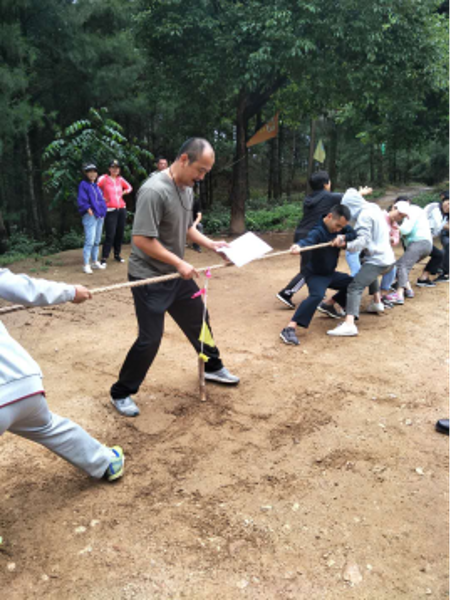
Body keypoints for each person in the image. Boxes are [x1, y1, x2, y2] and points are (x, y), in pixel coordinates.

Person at [110, 138, 240, 418]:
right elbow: (142, 240)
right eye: (201, 170)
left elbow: (184, 229)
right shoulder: (154, 191)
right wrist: (179, 261)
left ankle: (214, 367)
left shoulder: (187, 188)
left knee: (199, 320)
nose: (202, 177)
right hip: (150, 278)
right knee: (150, 339)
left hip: (176, 274)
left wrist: (212, 245)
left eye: (206, 171)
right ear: (184, 159)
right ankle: (121, 392)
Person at [0, 269, 124, 482]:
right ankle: (105, 461)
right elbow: (25, 288)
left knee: (46, 426)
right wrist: (71, 291)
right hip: (23, 382)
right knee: (47, 426)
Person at [280, 205, 356, 347]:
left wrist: (342, 237)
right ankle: (289, 328)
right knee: (316, 295)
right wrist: (298, 246)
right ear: (329, 217)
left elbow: (353, 233)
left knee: (354, 283)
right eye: (337, 226)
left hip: (330, 273)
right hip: (316, 274)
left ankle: (329, 305)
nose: (339, 229)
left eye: (342, 227)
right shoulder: (318, 231)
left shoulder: (341, 228)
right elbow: (308, 240)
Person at [327, 188, 396, 337]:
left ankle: (349, 324)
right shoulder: (374, 208)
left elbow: (362, 241)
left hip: (378, 260)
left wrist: (345, 245)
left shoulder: (364, 216)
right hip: (388, 259)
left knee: (354, 286)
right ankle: (377, 303)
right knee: (367, 270)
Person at [276, 171, 344, 309]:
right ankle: (287, 293)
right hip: (313, 236)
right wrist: (362, 193)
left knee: (312, 266)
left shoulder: (309, 198)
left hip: (301, 233)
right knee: (310, 269)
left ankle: (317, 292)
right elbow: (350, 198)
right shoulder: (331, 197)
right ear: (326, 184)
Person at [385, 200, 433, 305]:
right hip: (426, 245)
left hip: (419, 243)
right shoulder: (417, 210)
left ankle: (399, 294)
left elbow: (406, 230)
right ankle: (408, 289)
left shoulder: (412, 210)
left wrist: (394, 230)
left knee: (402, 265)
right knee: (400, 265)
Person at [98, 160, 133, 266]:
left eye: (117, 168)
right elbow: (95, 187)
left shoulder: (120, 179)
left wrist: (124, 192)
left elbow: (129, 187)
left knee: (120, 233)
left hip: (121, 208)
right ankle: (104, 257)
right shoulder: (104, 178)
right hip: (110, 209)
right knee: (110, 233)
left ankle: (117, 254)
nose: (115, 170)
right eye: (113, 167)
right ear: (109, 169)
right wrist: (102, 198)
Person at [77, 163, 107, 275]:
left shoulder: (96, 186)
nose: (92, 173)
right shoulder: (83, 184)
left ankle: (94, 261)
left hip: (99, 215)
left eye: (94, 171)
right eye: (90, 171)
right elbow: (81, 199)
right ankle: (86, 264)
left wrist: (103, 209)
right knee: (89, 240)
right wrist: (88, 209)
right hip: (90, 215)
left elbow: (100, 199)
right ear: (86, 173)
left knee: (97, 240)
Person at [417, 193, 451, 286]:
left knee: (438, 255)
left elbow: (441, 227)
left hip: (426, 240)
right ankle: (396, 281)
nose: (449, 206)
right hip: (417, 237)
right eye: (448, 203)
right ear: (443, 200)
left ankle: (423, 278)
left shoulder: (446, 216)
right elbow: (421, 217)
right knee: (411, 260)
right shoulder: (433, 207)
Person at [381, 205, 401, 308]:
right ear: (393, 208)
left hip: (383, 253)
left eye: (402, 216)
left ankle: (382, 295)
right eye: (399, 213)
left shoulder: (394, 225)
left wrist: (392, 239)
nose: (399, 217)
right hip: (368, 252)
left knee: (392, 267)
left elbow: (396, 239)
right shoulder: (381, 216)